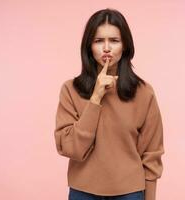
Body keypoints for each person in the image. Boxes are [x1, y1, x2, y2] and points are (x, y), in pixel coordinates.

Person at [54, 8, 165, 200]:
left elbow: (151, 153)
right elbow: (71, 148)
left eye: (114, 40)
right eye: (98, 41)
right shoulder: (70, 90)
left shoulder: (144, 92)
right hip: (83, 192)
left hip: (130, 193)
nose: (106, 48)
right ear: (89, 46)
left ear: (125, 46)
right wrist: (96, 98)